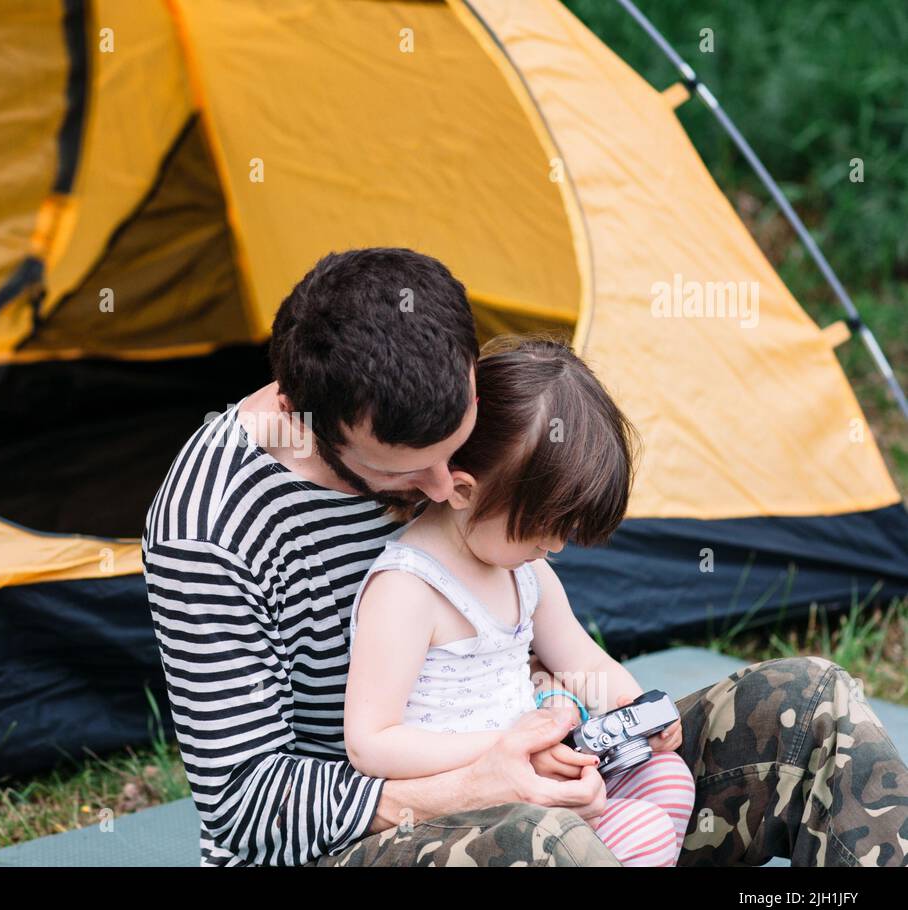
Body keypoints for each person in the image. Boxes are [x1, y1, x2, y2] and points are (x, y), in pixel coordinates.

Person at [141, 246, 908, 867]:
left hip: (538, 758)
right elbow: (246, 807)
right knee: (545, 844)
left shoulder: (426, 393)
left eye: (458, 447)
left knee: (811, 704)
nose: (446, 488)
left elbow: (525, 620)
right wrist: (472, 782)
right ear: (306, 418)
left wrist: (599, 717)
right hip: (358, 839)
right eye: (408, 472)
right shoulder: (208, 530)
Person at [343, 338, 694, 866]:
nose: (553, 547)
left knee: (668, 776)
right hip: (457, 809)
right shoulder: (408, 590)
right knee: (640, 832)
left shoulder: (526, 571)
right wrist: (503, 746)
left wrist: (636, 707)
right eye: (540, 528)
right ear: (462, 492)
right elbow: (371, 744)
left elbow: (581, 659)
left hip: (533, 773)